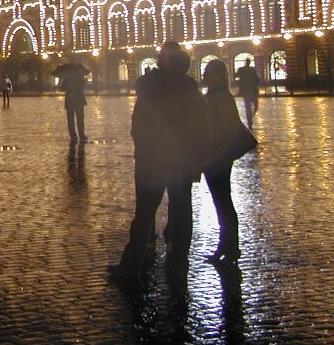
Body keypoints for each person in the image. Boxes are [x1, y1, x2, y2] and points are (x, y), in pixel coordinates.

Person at [108, 41, 211, 281]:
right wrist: (198, 161)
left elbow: (139, 110)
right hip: (182, 162)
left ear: (165, 65)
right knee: (182, 212)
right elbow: (203, 130)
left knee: (144, 213)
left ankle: (130, 265)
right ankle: (179, 261)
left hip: (152, 161)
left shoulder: (153, 85)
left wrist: (142, 148)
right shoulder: (190, 89)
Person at [203, 59, 257, 264]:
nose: (205, 76)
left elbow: (221, 128)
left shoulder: (219, 98)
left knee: (223, 202)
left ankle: (230, 247)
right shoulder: (219, 96)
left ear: (217, 76)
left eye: (208, 73)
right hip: (219, 156)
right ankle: (226, 246)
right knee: (222, 202)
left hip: (217, 157)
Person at [62, 71, 88, 145]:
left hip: (78, 100)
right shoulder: (67, 78)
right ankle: (73, 135)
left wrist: (74, 89)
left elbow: (82, 85)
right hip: (71, 101)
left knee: (80, 118)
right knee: (71, 119)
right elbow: (62, 88)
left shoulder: (80, 76)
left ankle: (81, 134)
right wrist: (68, 86)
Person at [235, 60, 260, 130]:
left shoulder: (242, 69)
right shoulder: (252, 69)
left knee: (248, 106)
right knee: (255, 105)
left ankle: (250, 120)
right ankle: (250, 119)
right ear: (249, 63)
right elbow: (257, 79)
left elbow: (236, 76)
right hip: (252, 90)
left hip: (246, 91)